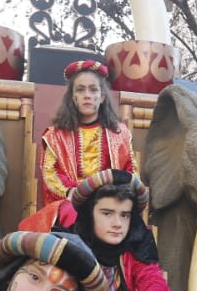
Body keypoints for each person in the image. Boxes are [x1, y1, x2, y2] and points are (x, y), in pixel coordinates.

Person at [39, 59, 135, 209]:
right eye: (80, 90)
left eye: (93, 89)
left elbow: (130, 172)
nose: (87, 95)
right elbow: (51, 175)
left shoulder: (120, 134)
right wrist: (73, 192)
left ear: (102, 97)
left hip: (111, 200)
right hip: (72, 201)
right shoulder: (55, 136)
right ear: (72, 97)